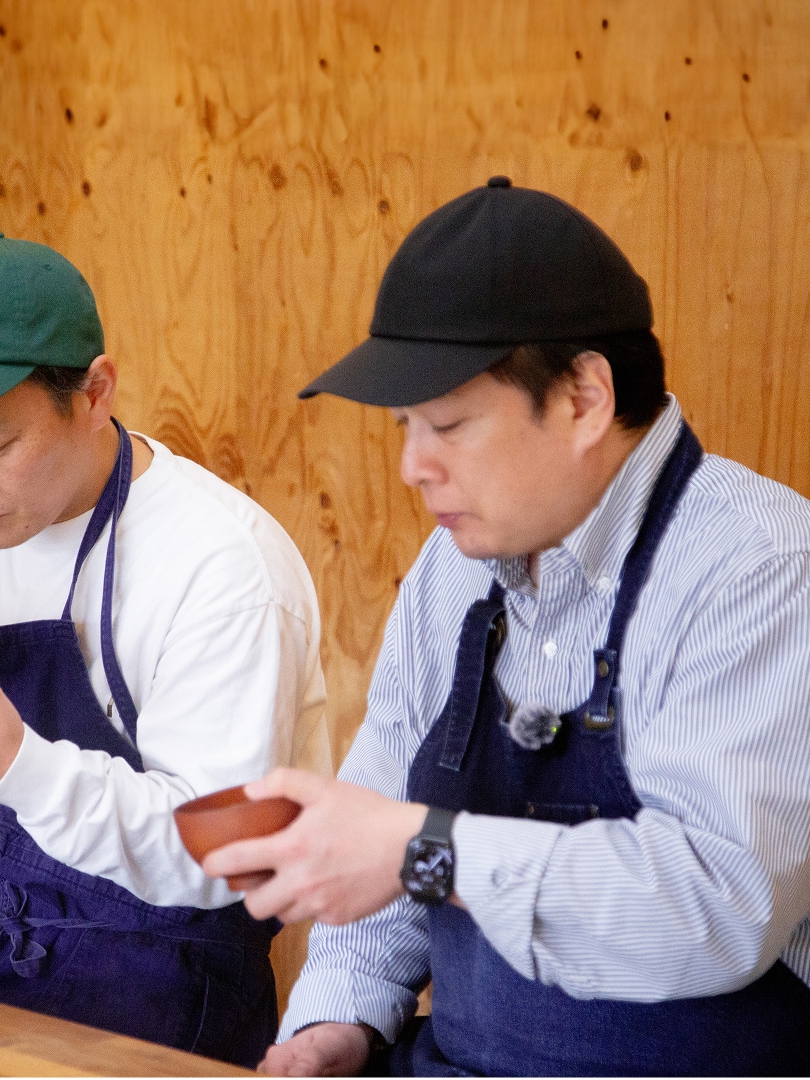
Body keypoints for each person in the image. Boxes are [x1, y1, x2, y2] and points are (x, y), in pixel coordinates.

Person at [202, 178, 810, 1075]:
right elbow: (379, 836)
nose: (413, 467)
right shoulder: (452, 573)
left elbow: (714, 907)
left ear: (584, 398)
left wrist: (431, 850)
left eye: (448, 424)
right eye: (405, 427)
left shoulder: (756, 569)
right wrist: (337, 1022)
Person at [0, 232, 331, 1068]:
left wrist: (14, 759)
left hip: (163, 989)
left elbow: (219, 862)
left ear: (94, 394)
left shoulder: (220, 564)